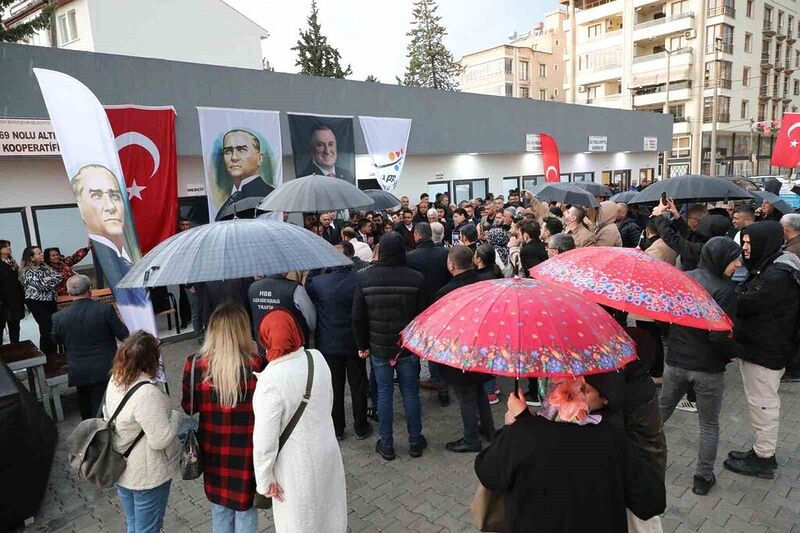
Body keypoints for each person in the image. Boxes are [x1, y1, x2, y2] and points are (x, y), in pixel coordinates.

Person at [475, 374, 666, 533]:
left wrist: (511, 428)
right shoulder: (613, 439)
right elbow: (651, 501)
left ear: (605, 398)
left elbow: (489, 472)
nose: (573, 393)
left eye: (583, 389)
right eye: (565, 385)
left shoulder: (523, 433)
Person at [659, 238, 742, 495]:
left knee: (659, 415)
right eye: (734, 259)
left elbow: (664, 316)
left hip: (676, 363)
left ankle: (640, 457)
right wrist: (728, 356)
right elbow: (720, 336)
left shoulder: (684, 278)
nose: (738, 264)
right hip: (707, 369)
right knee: (708, 425)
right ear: (720, 258)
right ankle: (702, 478)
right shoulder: (724, 290)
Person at [253, 309, 347, 533]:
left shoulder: (270, 380)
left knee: (301, 521)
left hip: (294, 466)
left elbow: (264, 441)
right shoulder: (317, 358)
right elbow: (329, 401)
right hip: (327, 451)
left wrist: (264, 480)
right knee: (330, 514)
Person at [724, 221, 800, 479]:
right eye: (743, 243)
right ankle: (760, 450)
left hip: (766, 350)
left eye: (749, 243)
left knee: (763, 404)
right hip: (761, 346)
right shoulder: (770, 265)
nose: (745, 249)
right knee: (760, 402)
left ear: (764, 243)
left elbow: (744, 303)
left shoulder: (776, 275)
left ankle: (764, 458)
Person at [182, 304, 263, 532]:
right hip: (248, 450)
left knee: (219, 509)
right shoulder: (257, 365)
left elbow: (189, 405)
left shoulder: (195, 363)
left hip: (213, 450)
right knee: (246, 509)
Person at [352, 232, 428, 461]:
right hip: (406, 347)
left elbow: (357, 316)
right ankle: (415, 441)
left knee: (383, 393)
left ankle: (387, 445)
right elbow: (422, 317)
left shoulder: (364, 278)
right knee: (410, 392)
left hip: (379, 347)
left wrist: (362, 345)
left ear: (380, 251)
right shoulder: (416, 278)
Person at [105, 331, 181, 533]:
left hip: (122, 467)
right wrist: (175, 416)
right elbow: (160, 439)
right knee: (149, 528)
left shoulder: (115, 379)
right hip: (146, 474)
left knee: (134, 525)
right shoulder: (146, 392)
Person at [436, 246, 495, 452]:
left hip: (460, 353)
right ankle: (489, 429)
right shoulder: (486, 284)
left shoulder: (446, 292)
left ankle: (471, 440)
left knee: (466, 397)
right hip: (484, 349)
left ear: (451, 264)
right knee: (478, 390)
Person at [306, 260, 372, 441]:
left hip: (329, 343)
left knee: (334, 386)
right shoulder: (358, 279)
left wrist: (316, 266)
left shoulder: (320, 282)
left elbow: (308, 288)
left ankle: (337, 428)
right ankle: (361, 426)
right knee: (358, 384)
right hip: (353, 341)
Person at [51, 275, 129, 420]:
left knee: (85, 408)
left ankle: (90, 437)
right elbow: (124, 335)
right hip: (106, 366)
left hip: (78, 368)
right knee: (106, 407)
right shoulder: (105, 309)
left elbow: (56, 340)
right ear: (90, 290)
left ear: (68, 293)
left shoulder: (58, 317)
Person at [72, 164, 148, 307]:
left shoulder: (127, 254)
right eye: (97, 196)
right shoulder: (105, 257)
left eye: (114, 195)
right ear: (81, 207)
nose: (111, 207)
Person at [406, 222, 452, 406]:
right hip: (440, 307)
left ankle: (413, 382)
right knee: (436, 348)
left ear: (416, 235)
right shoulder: (444, 254)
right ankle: (441, 385)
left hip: (417, 308)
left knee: (416, 346)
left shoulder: (410, 257)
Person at [215, 129, 275, 221]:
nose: (234, 157)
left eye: (242, 150)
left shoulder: (271, 196)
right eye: (228, 151)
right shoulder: (231, 197)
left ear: (259, 158)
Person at [19, 246, 64, 356]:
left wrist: (49, 280)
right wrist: (49, 281)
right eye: (38, 253)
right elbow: (42, 287)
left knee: (53, 327)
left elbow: (59, 277)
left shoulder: (44, 267)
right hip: (37, 303)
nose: (42, 254)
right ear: (32, 258)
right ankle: (48, 355)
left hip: (50, 301)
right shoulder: (28, 272)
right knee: (46, 328)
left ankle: (54, 352)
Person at [248, 275, 316, 346]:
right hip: (292, 346)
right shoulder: (295, 289)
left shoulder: (253, 288)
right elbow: (311, 318)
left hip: (263, 345)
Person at [0, 239, 25, 345]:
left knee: (15, 326)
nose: (9, 248)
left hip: (15, 299)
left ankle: (15, 348)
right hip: (2, 300)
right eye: (5, 246)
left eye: (9, 246)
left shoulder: (13, 262)